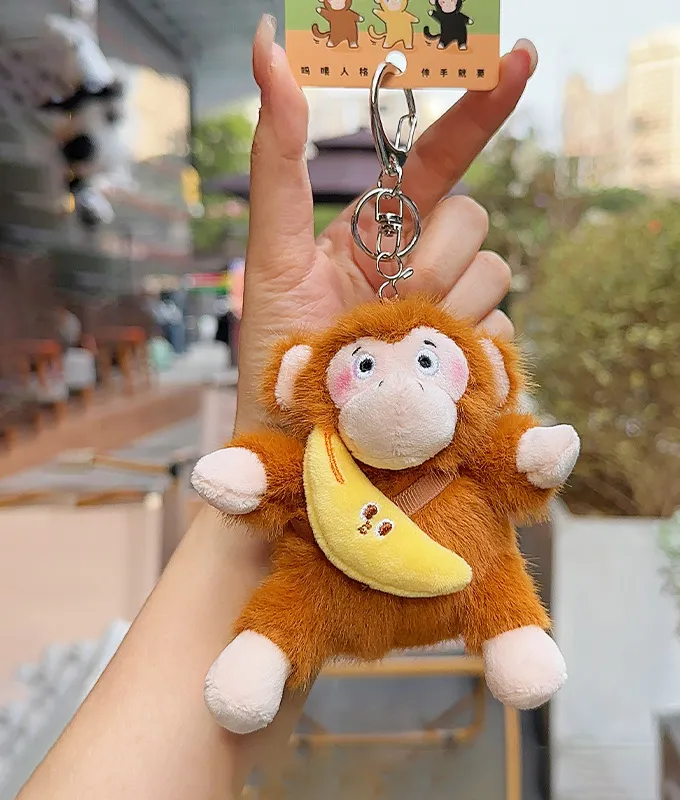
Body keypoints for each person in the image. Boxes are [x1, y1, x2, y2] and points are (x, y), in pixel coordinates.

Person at [17, 15, 538, 800]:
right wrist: (256, 460)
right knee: (295, 605)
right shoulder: (311, 439)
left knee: (496, 585)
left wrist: (532, 451)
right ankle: (269, 651)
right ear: (306, 375)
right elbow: (268, 472)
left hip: (452, 573)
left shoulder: (465, 413)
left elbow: (517, 459)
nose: (398, 389)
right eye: (366, 369)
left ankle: (508, 633)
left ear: (479, 373)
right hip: (317, 574)